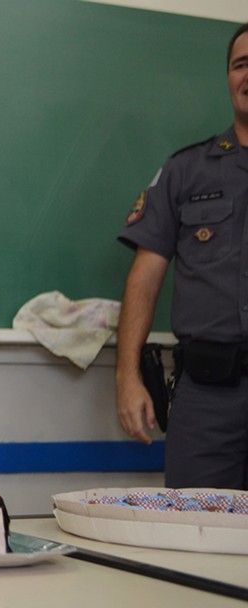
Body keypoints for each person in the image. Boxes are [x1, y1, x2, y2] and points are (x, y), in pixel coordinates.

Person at [116, 22, 248, 490]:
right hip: (208, 400)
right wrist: (127, 376)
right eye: (240, 64)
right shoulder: (185, 171)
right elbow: (145, 278)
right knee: (195, 538)